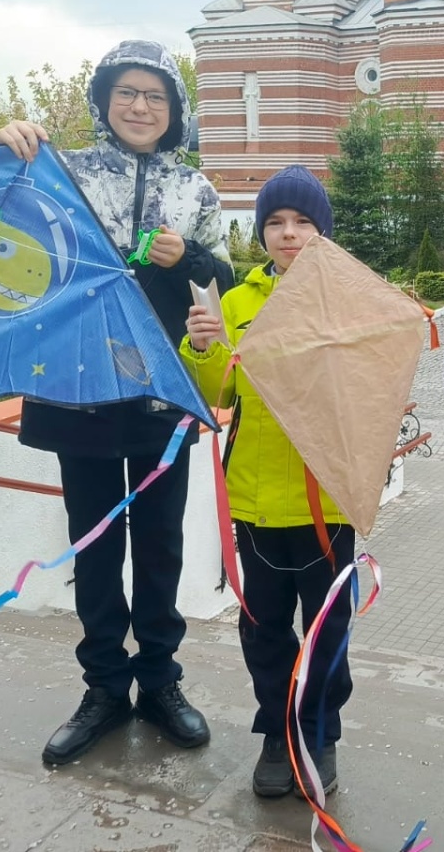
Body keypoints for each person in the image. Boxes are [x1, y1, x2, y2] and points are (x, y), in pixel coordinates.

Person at [0, 39, 234, 766]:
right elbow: (4, 219)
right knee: (96, 549)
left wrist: (184, 258)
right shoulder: (60, 171)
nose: (139, 106)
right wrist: (8, 146)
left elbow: (222, 275)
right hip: (81, 393)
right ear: (103, 101)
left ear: (174, 110)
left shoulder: (197, 191)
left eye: (155, 96)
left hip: (160, 397)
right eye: (126, 92)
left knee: (159, 547)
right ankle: (103, 687)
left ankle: (160, 681)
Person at [181, 165, 352, 800]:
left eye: (303, 223)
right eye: (276, 223)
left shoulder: (346, 297)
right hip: (254, 500)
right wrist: (203, 348)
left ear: (323, 232)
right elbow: (215, 395)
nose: (288, 234)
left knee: (327, 629)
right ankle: (278, 734)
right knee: (265, 628)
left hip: (328, 502)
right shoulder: (235, 302)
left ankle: (320, 732)